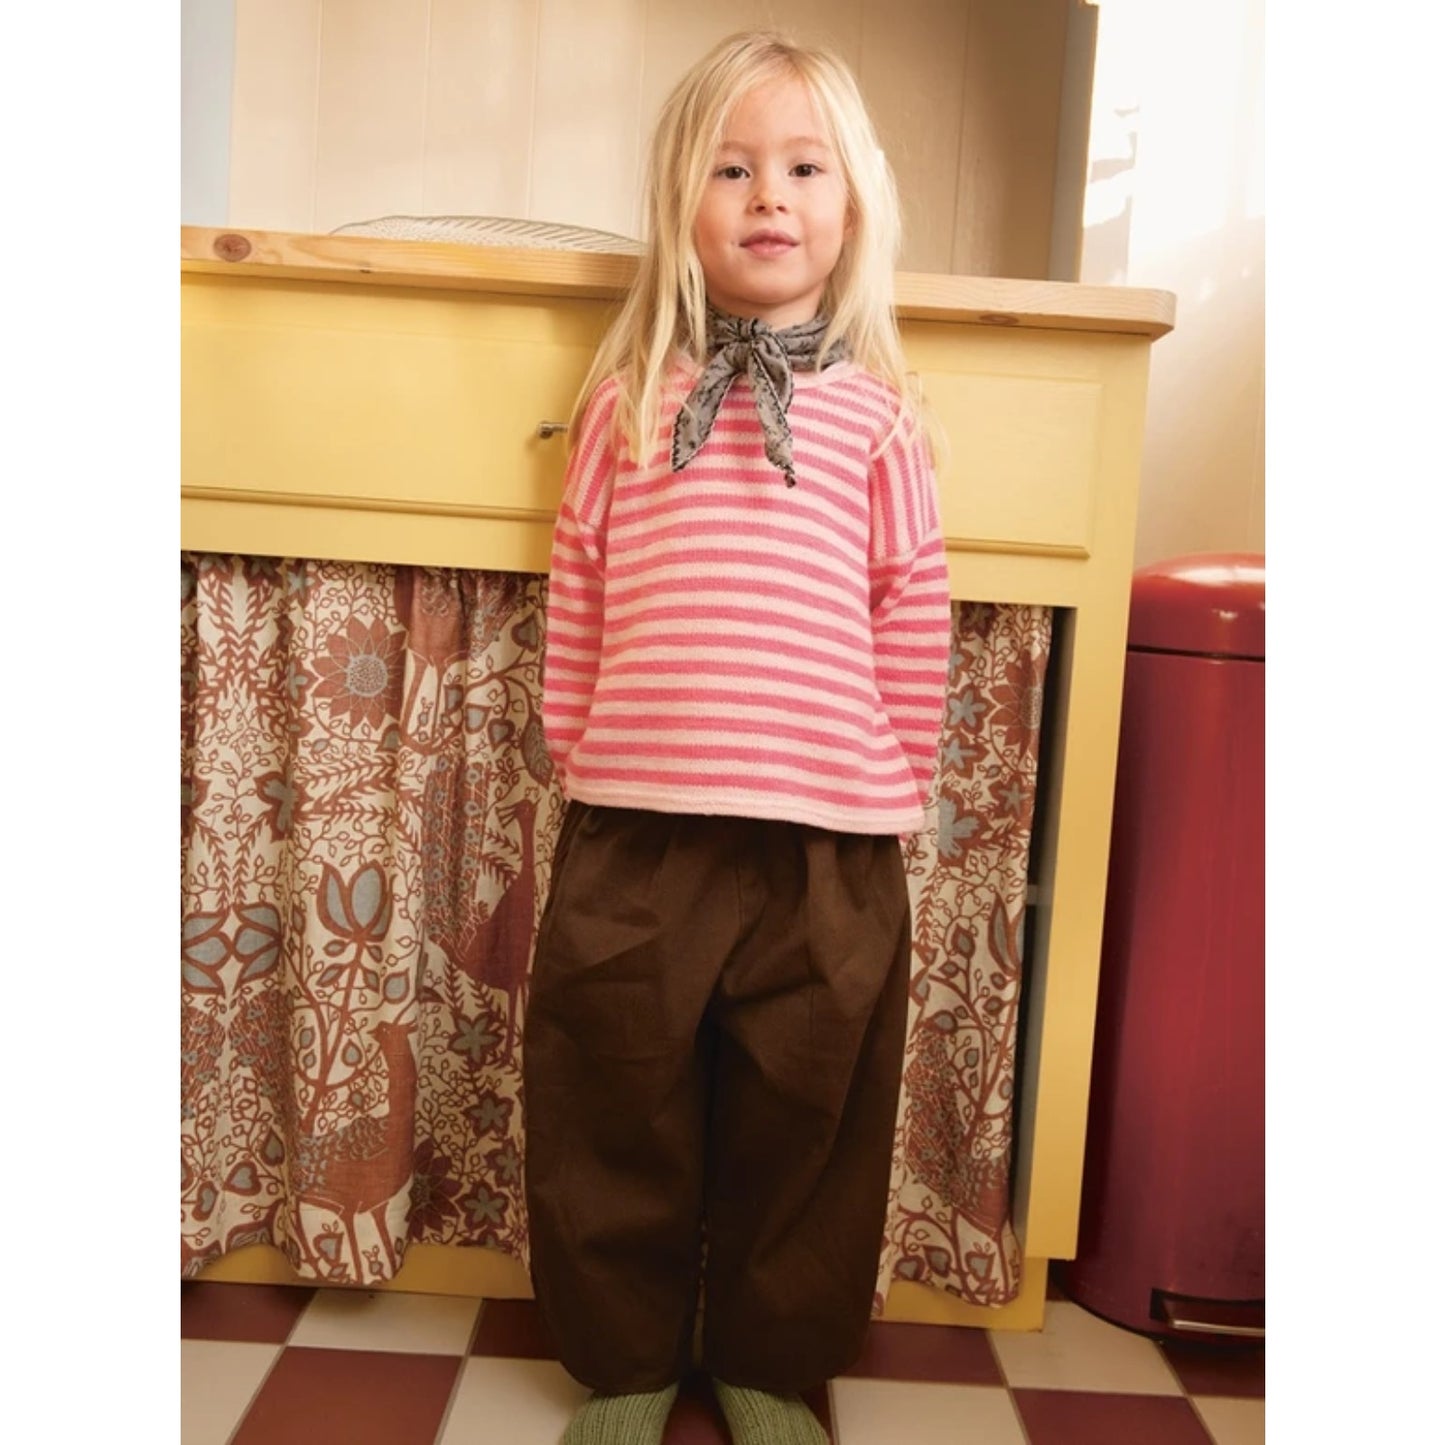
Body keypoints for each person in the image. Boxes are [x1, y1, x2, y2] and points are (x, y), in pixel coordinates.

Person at [521, 29, 952, 1445]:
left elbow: (911, 603)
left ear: (852, 205)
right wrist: (576, 750)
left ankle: (771, 1355)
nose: (769, 195)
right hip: (635, 836)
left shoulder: (880, 421)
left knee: (805, 1116)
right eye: (731, 168)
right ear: (680, 204)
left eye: (803, 167)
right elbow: (580, 583)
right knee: (613, 1101)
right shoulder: (624, 407)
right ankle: (625, 1358)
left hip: (828, 848)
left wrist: (899, 780)